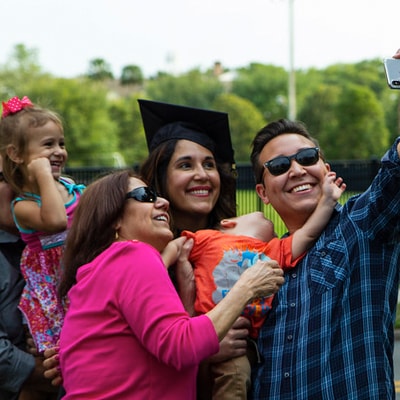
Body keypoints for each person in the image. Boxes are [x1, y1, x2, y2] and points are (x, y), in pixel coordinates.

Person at [249, 46, 400, 399]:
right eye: (279, 166)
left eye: (306, 157)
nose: (297, 169)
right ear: (263, 192)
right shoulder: (259, 264)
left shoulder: (360, 226)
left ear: (325, 168)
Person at [57, 169, 285, 399]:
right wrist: (247, 287)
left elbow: (154, 355)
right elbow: (181, 347)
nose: (164, 202)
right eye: (146, 195)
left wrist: (186, 294)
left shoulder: (97, 273)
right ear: (113, 217)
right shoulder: (133, 254)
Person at [181, 169, 345, 399]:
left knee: (235, 378)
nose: (270, 225)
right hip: (205, 327)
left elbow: (306, 235)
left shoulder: (270, 251)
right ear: (228, 223)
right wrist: (163, 262)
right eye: (260, 217)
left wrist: (328, 201)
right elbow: (178, 248)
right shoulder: (209, 239)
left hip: (239, 342)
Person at [138, 99, 253, 396]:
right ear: (160, 177)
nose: (202, 174)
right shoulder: (143, 255)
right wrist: (202, 346)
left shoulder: (239, 244)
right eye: (185, 165)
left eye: (209, 164)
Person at [0, 96, 85, 354]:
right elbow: (57, 221)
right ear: (15, 154)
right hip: (56, 291)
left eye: (61, 143)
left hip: (82, 272)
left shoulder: (68, 185)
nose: (58, 151)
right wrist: (43, 174)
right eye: (48, 145)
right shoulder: (23, 205)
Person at [0, 155, 58, 400]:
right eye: (5, 178)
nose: (20, 186)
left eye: (28, 175)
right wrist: (45, 372)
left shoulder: (64, 244)